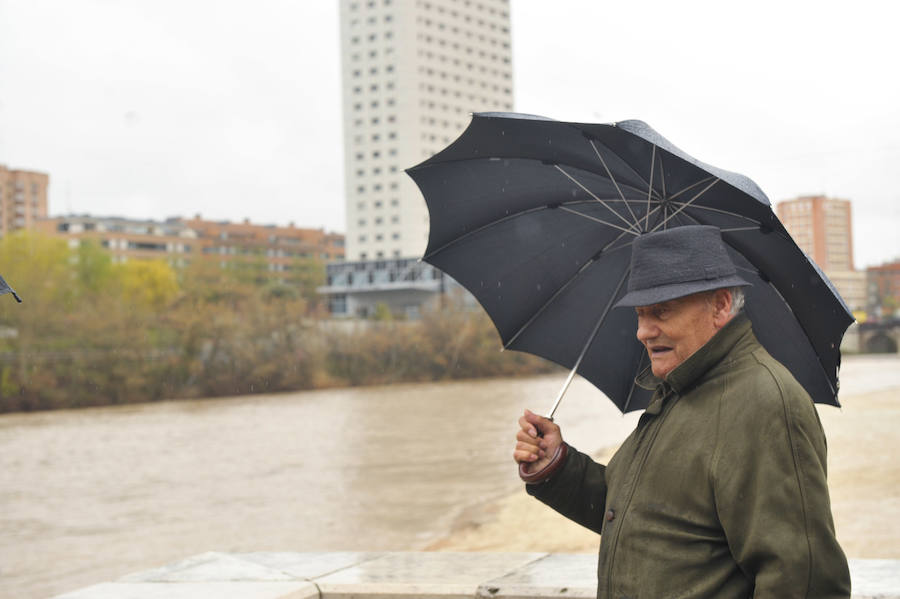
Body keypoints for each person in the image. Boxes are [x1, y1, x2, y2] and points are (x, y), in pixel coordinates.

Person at [513, 225, 851, 598]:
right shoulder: (677, 389)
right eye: (640, 314)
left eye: (661, 311)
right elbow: (635, 515)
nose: (643, 331)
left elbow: (805, 582)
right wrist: (555, 467)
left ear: (721, 306)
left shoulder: (765, 404)